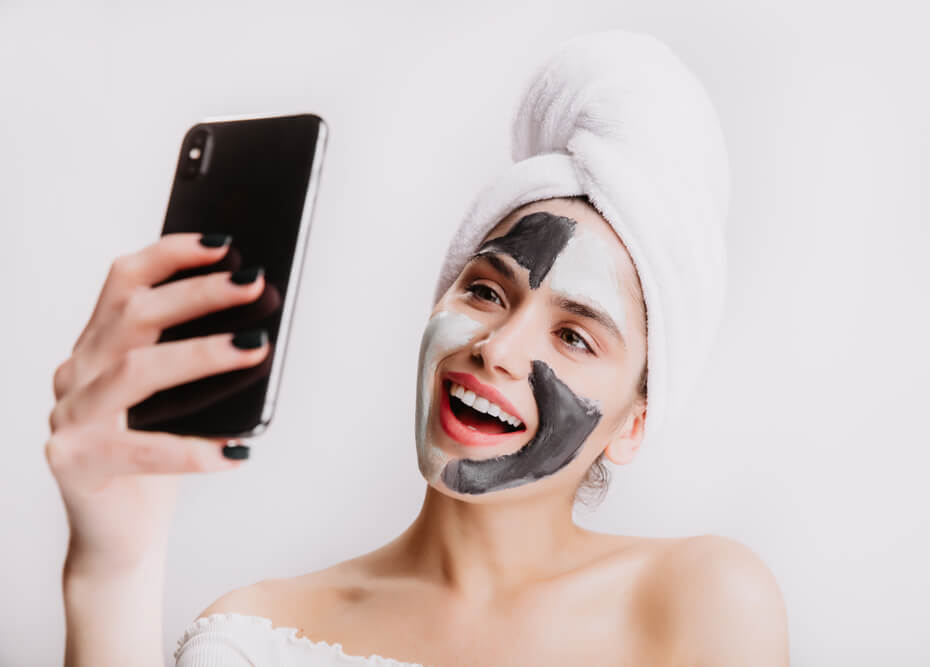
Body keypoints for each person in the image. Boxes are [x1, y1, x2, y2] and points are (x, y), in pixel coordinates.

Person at [48, 31, 790, 666]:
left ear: (634, 421)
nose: (498, 348)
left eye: (573, 335)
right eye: (486, 292)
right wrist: (115, 564)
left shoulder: (701, 597)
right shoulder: (252, 634)